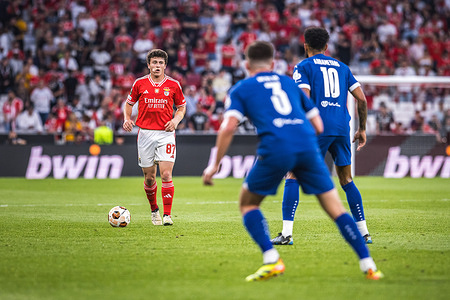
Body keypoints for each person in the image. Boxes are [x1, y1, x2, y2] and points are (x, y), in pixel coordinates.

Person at [202, 41, 382, 282]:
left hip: (276, 147)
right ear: (273, 63)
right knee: (336, 208)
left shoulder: (242, 88)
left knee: (248, 204)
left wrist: (215, 163)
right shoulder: (288, 82)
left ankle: (271, 259)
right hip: (308, 145)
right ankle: (369, 264)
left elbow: (228, 126)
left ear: (246, 65)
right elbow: (317, 124)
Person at [271, 27, 373, 247]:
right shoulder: (343, 67)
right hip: (342, 128)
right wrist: (362, 128)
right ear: (327, 46)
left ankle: (286, 234)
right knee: (346, 179)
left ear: (305, 45)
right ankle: (364, 233)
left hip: (318, 127)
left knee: (293, 174)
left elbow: (304, 99)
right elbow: (362, 99)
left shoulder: (303, 66)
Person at [123, 49, 186, 226]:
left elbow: (181, 107)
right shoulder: (139, 83)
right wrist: (127, 119)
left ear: (165, 65)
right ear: (149, 65)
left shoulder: (173, 85)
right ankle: (154, 210)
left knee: (166, 174)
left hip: (166, 134)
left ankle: (167, 215)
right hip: (145, 134)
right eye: (154, 62)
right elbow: (129, 104)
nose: (157, 66)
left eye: (160, 63)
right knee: (150, 178)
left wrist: (175, 120)